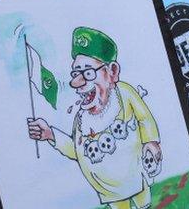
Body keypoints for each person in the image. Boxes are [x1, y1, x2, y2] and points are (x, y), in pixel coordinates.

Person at [28, 27, 161, 209]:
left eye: (88, 73)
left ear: (111, 72)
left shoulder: (124, 94)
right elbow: (76, 151)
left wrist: (151, 142)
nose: (77, 83)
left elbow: (144, 118)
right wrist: (51, 135)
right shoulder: (81, 120)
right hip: (110, 192)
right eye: (76, 73)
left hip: (136, 177)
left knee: (145, 204)